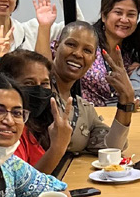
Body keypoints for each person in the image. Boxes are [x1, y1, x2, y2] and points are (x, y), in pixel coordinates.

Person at [48, 21, 135, 155]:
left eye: (87, 50)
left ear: (94, 59)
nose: (78, 54)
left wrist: (126, 102)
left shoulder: (84, 109)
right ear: (56, 46)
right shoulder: (39, 88)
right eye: (71, 44)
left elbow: (113, 148)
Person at [0, 50, 73, 173]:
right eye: (29, 83)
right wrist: (57, 148)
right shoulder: (7, 128)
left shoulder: (43, 122)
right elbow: (22, 186)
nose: (39, 90)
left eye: (44, 84)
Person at [63, 0, 140, 106]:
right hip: (85, 117)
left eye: (131, 15)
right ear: (104, 16)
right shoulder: (86, 41)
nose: (124, 20)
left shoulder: (133, 52)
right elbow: (50, 62)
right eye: (118, 12)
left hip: (119, 117)